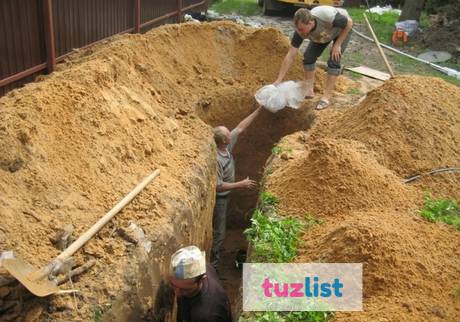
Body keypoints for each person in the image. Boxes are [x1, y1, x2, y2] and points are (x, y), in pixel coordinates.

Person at [211, 106, 262, 270]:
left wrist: (258, 110)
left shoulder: (226, 146)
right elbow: (218, 186)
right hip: (220, 200)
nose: (231, 133)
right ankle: (214, 267)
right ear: (224, 140)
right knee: (218, 233)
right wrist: (241, 184)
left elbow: (240, 127)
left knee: (220, 230)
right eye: (228, 134)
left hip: (226, 197)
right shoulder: (217, 158)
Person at [273, 6, 353, 110]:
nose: (300, 32)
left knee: (334, 60)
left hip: (340, 30)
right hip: (324, 34)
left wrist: (337, 45)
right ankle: (309, 90)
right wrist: (279, 80)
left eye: (301, 29)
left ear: (310, 23)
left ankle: (326, 97)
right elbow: (290, 55)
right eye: (298, 29)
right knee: (308, 57)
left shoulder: (326, 16)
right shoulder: (300, 31)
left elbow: (349, 23)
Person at [169, 246, 232, 322]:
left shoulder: (209, 315)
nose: (177, 293)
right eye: (174, 285)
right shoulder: (199, 267)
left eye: (184, 289)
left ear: (201, 280)